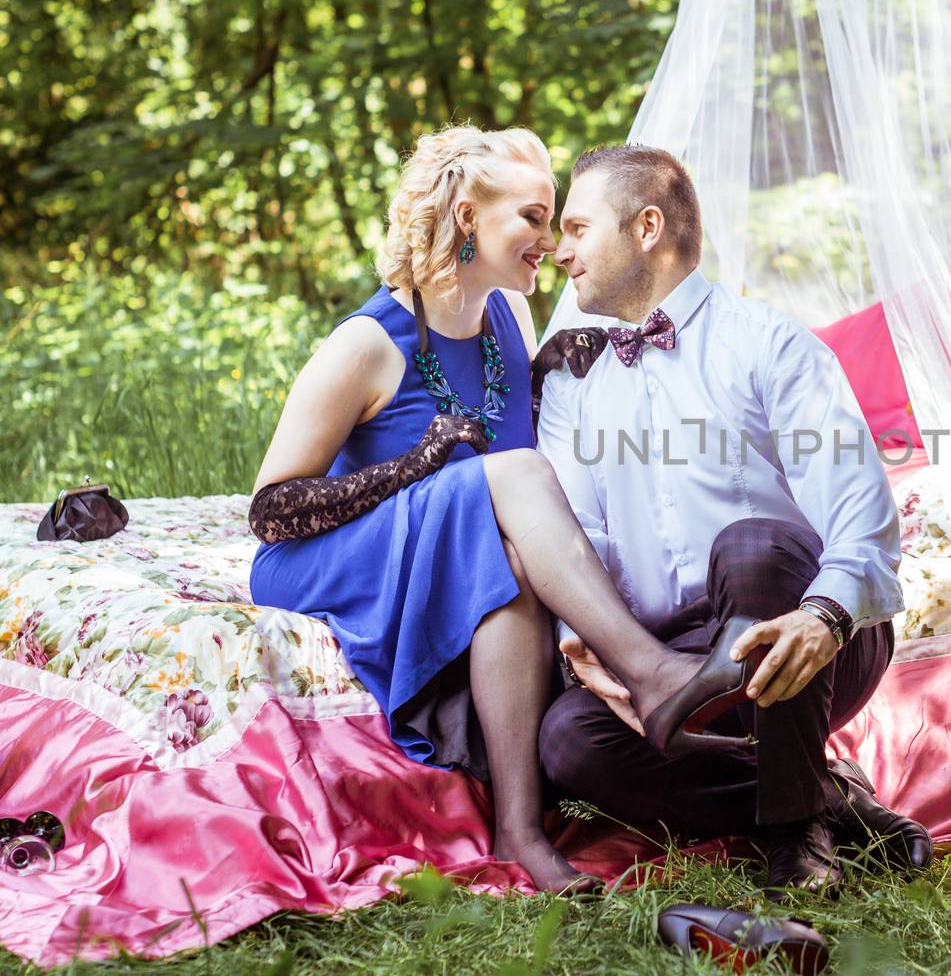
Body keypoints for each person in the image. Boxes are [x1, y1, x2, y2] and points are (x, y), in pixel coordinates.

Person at [246, 125, 705, 894]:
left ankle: (519, 830)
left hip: (447, 552)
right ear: (467, 218)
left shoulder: (507, 324)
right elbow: (271, 514)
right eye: (533, 218)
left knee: (514, 562)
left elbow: (492, 433)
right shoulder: (366, 344)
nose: (553, 243)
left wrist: (547, 375)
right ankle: (652, 671)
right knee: (513, 481)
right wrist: (416, 463)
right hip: (330, 562)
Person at [536, 145, 934, 893]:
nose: (560, 252)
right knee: (569, 744)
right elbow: (575, 535)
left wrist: (822, 617)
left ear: (646, 226)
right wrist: (579, 636)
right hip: (675, 662)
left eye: (578, 228)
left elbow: (862, 515)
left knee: (752, 546)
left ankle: (795, 836)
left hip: (810, 631)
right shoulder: (573, 382)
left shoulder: (770, 342)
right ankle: (830, 795)